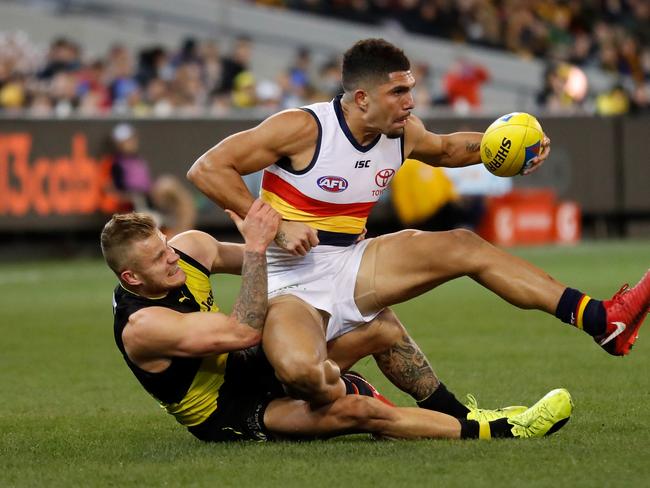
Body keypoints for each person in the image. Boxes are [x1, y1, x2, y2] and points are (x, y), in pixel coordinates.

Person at [187, 38, 650, 408]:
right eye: (399, 92)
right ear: (362, 98)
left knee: (464, 245)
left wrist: (502, 148)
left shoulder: (401, 131)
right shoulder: (303, 128)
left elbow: (447, 149)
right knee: (296, 375)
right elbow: (207, 168)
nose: (412, 101)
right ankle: (355, 390)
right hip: (288, 278)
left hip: (351, 261)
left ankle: (601, 318)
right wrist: (276, 224)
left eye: (411, 88)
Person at [100, 202, 573, 442]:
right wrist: (260, 248)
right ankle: (504, 431)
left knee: (382, 327)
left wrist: (339, 244)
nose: (172, 259)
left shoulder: (189, 249)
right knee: (357, 413)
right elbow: (243, 329)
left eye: (166, 245)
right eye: (159, 260)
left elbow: (271, 264)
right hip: (229, 409)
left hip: (251, 362)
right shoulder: (144, 327)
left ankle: (454, 411)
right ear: (130, 277)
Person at [110, 122, 196, 236]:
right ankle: (179, 238)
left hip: (150, 198)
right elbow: (114, 191)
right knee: (168, 184)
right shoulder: (116, 164)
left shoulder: (138, 159)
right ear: (118, 144)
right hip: (139, 203)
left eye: (131, 139)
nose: (130, 143)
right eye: (126, 141)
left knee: (183, 202)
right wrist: (135, 198)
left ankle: (182, 237)